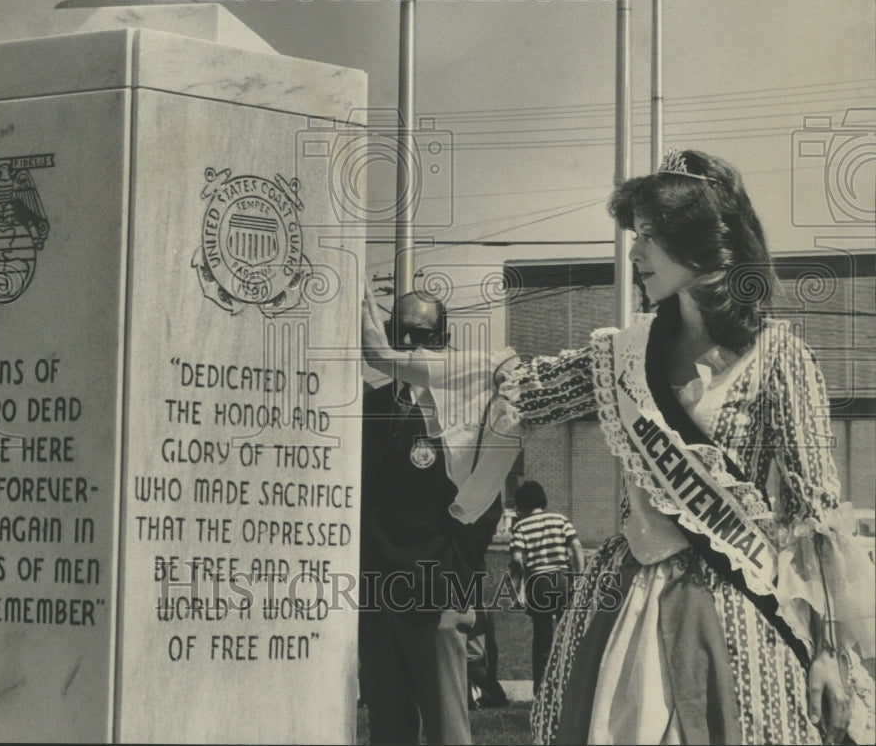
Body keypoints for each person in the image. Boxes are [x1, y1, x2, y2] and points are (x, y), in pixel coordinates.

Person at [362, 149, 875, 746]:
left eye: (650, 237)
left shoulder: (783, 359)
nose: (634, 254)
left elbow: (816, 519)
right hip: (626, 604)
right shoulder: (621, 355)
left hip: (745, 609)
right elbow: (517, 384)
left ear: (702, 243)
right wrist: (396, 362)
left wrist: (828, 653)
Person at [358, 289, 509, 745]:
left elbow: (484, 508)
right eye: (400, 335)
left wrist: (452, 583)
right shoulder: (371, 406)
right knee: (388, 729)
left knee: (447, 731)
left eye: (422, 335)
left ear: (441, 340)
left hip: (437, 597)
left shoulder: (468, 411)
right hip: (376, 596)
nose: (411, 345)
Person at [509, 480, 584, 696]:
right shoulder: (561, 519)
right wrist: (578, 579)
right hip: (563, 579)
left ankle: (541, 689)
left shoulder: (521, 526)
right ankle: (568, 683)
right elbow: (577, 547)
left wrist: (518, 589)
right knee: (566, 633)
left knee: (542, 637)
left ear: (522, 505)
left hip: (538, 583)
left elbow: (516, 559)